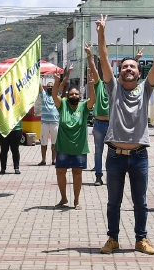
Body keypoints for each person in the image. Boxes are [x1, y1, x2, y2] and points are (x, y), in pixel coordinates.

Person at [98, 15, 154, 255]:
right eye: (125, 66)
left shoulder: (146, 90)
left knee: (141, 202)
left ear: (138, 73)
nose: (128, 68)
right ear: (120, 72)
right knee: (113, 202)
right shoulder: (113, 88)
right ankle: (112, 239)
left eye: (132, 66)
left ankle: (141, 239)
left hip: (139, 157)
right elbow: (104, 59)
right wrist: (101, 33)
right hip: (115, 156)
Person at [52, 70, 95, 210]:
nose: (74, 96)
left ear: (79, 96)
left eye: (76, 94)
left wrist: (91, 86)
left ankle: (76, 200)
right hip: (63, 147)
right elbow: (54, 95)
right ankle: (63, 198)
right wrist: (57, 81)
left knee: (77, 174)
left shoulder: (83, 107)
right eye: (71, 94)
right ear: (68, 96)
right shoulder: (62, 105)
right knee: (60, 173)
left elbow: (93, 100)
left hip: (79, 147)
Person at [37, 65, 71, 166]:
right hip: (44, 123)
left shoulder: (57, 96)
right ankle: (43, 160)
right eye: (49, 86)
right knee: (43, 143)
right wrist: (37, 73)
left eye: (52, 87)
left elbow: (63, 82)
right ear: (46, 88)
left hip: (55, 123)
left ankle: (54, 160)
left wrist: (68, 72)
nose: (50, 88)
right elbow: (38, 84)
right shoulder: (43, 95)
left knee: (54, 143)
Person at [85, 43, 109, 186]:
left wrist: (136, 59)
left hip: (112, 124)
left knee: (114, 153)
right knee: (98, 152)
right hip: (99, 124)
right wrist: (89, 55)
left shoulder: (115, 86)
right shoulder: (99, 84)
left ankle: (112, 176)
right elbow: (94, 69)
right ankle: (98, 176)